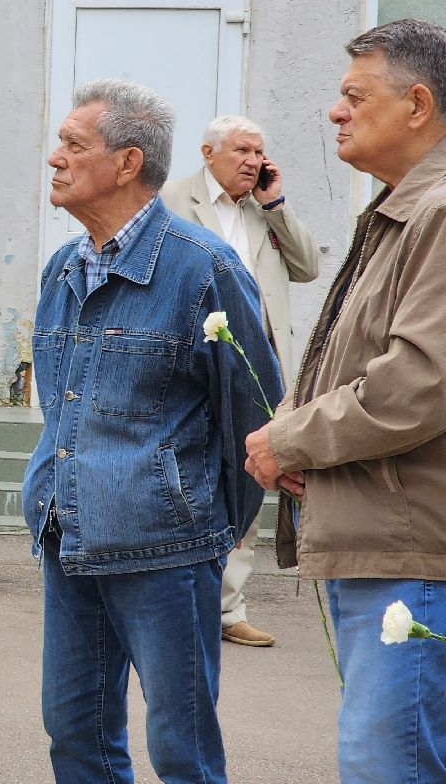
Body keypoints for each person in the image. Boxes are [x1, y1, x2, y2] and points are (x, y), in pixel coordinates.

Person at [23, 78, 282, 784]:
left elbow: (254, 416)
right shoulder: (62, 269)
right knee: (74, 733)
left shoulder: (204, 268)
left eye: (73, 144)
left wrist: (209, 528)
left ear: (128, 162)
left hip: (168, 548)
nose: (55, 157)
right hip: (68, 533)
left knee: (181, 749)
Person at [244, 18, 446, 783]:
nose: (335, 111)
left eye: (355, 97)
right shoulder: (405, 208)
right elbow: (358, 358)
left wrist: (291, 440)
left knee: (391, 767)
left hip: (411, 552)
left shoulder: (438, 211)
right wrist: (297, 432)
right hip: (390, 540)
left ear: (418, 105)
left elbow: (418, 383)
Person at [161, 115, 319, 648]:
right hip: (192, 362)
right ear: (208, 153)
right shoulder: (172, 199)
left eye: (258, 152)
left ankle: (228, 609)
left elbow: (308, 267)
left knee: (251, 474)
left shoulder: (263, 209)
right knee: (191, 474)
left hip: (256, 365)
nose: (253, 162)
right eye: (241, 151)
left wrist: (276, 206)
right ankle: (180, 600)